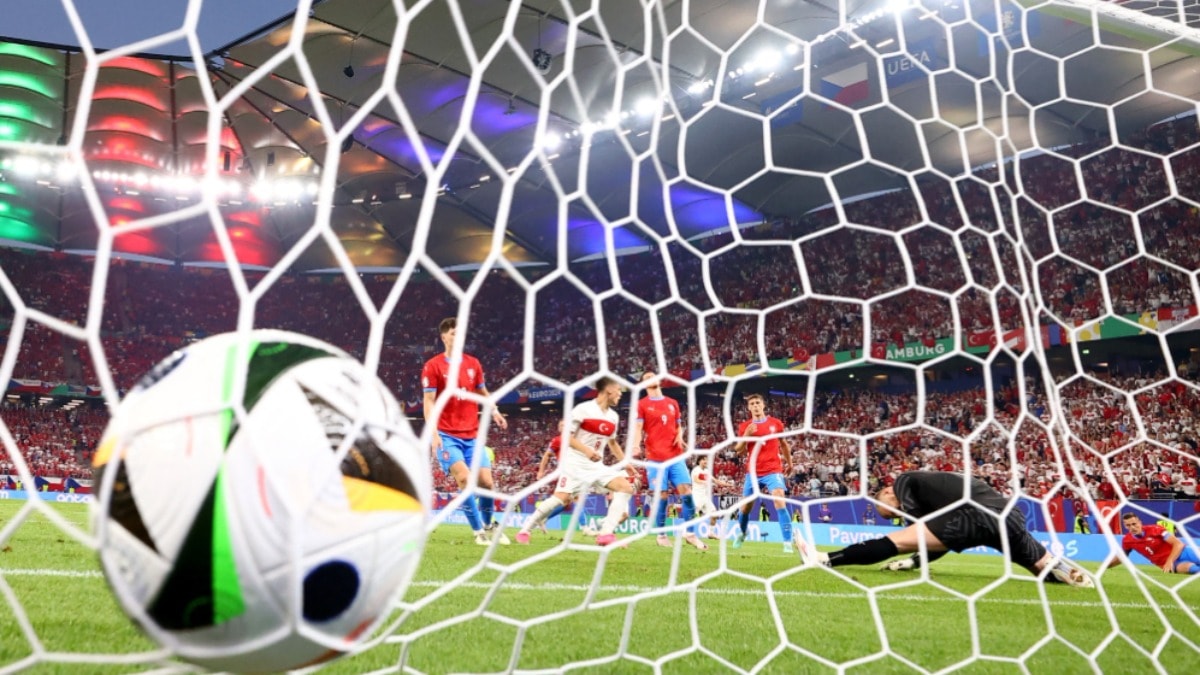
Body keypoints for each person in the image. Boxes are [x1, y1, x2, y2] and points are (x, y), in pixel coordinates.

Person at [795, 471, 1094, 587]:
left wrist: (907, 548)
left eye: (890, 509)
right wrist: (913, 562)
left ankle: (823, 559)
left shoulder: (904, 482)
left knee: (896, 541)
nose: (896, 514)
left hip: (978, 514)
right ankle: (1075, 580)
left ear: (887, 491)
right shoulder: (937, 501)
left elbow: (917, 532)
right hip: (1009, 515)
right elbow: (940, 541)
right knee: (1043, 566)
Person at [516, 377, 638, 546]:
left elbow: (613, 443)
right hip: (575, 464)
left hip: (596, 465)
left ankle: (605, 534)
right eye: (618, 390)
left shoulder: (613, 416)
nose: (620, 394)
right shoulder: (583, 409)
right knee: (561, 499)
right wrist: (586, 451)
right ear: (608, 390)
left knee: (625, 487)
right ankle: (525, 530)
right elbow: (566, 436)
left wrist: (626, 463)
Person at [422, 317, 509, 545]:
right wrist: (433, 434)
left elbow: (482, 391)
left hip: (472, 435)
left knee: (487, 483)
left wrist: (495, 410)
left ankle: (489, 525)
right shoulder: (433, 366)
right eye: (453, 333)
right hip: (446, 435)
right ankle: (478, 531)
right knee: (464, 479)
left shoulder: (473, 363)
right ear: (444, 337)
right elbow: (428, 402)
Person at [631, 371, 707, 551]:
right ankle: (662, 535)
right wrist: (635, 445)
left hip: (675, 456)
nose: (651, 379)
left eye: (653, 376)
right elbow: (638, 427)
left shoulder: (672, 403)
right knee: (662, 495)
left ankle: (690, 533)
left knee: (687, 492)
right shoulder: (642, 404)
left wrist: (680, 435)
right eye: (646, 378)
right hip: (655, 458)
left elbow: (678, 425)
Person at [730, 393, 797, 552]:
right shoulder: (745, 426)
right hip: (753, 472)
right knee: (745, 508)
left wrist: (790, 463)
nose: (755, 406)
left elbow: (784, 444)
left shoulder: (776, 423)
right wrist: (746, 435)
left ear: (763, 405)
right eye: (752, 403)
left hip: (773, 469)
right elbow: (738, 450)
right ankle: (743, 533)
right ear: (748, 407)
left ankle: (787, 542)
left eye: (757, 403)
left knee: (779, 499)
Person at [1103, 512, 1199, 575]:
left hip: (1184, 552)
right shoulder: (1127, 540)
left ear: (1140, 522)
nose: (1132, 527)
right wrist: (1106, 566)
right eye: (1128, 525)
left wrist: (1169, 561)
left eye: (1134, 524)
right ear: (1125, 526)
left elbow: (1178, 544)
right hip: (1171, 564)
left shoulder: (1155, 529)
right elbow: (1122, 557)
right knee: (1193, 569)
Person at [690, 454, 720, 539]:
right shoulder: (696, 470)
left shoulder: (707, 471)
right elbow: (696, 480)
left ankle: (711, 533)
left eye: (706, 459)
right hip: (697, 496)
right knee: (694, 516)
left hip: (705, 497)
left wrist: (727, 484)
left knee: (714, 513)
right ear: (699, 461)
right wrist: (706, 482)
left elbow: (715, 480)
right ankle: (687, 533)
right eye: (704, 459)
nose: (706, 461)